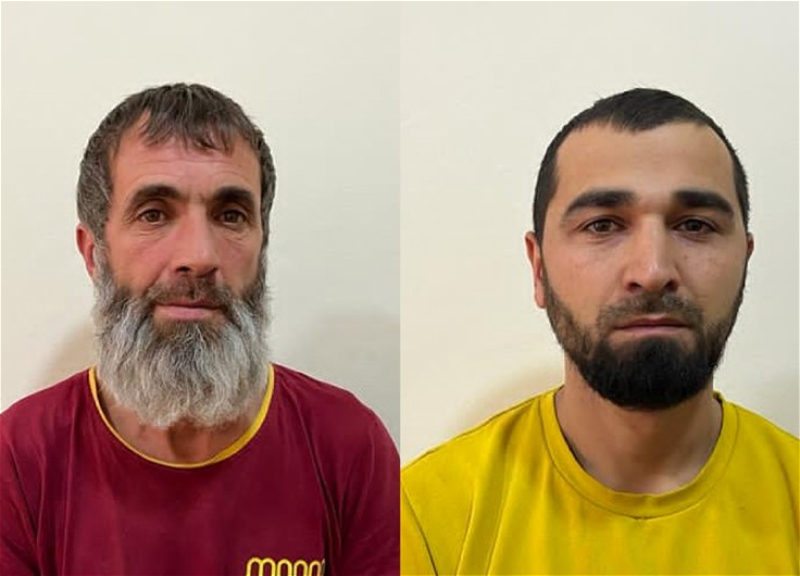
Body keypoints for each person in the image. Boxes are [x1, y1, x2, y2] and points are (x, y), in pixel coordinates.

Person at [0, 83, 399, 576]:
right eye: (154, 214)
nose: (199, 256)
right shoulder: (20, 458)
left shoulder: (349, 445)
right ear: (94, 254)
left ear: (261, 248)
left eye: (230, 216)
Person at [401, 88, 798, 575]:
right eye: (603, 225)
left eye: (695, 225)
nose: (652, 270)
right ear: (539, 268)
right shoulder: (423, 519)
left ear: (744, 261)